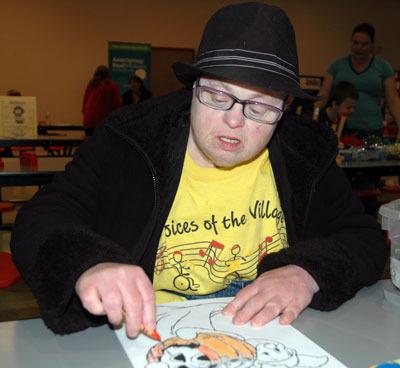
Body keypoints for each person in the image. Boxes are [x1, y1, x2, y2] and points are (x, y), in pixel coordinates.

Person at [11, 2, 387, 338]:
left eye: (260, 107)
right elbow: (40, 219)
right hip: (146, 339)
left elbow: (364, 238)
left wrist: (308, 273)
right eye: (218, 95)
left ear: (286, 107)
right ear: (193, 86)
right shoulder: (129, 141)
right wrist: (88, 262)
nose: (234, 122)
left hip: (267, 336)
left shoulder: (304, 152)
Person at [317, 23, 400, 141]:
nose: (359, 47)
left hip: (371, 129)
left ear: (372, 45)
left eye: (364, 44)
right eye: (355, 43)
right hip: (341, 127)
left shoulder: (383, 67)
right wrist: (312, 118)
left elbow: (393, 100)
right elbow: (323, 95)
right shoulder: (338, 65)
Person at [82, 65, 121, 136]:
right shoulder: (112, 85)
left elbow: (85, 103)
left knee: (92, 145)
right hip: (102, 122)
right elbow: (116, 104)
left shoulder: (91, 84)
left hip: (88, 122)